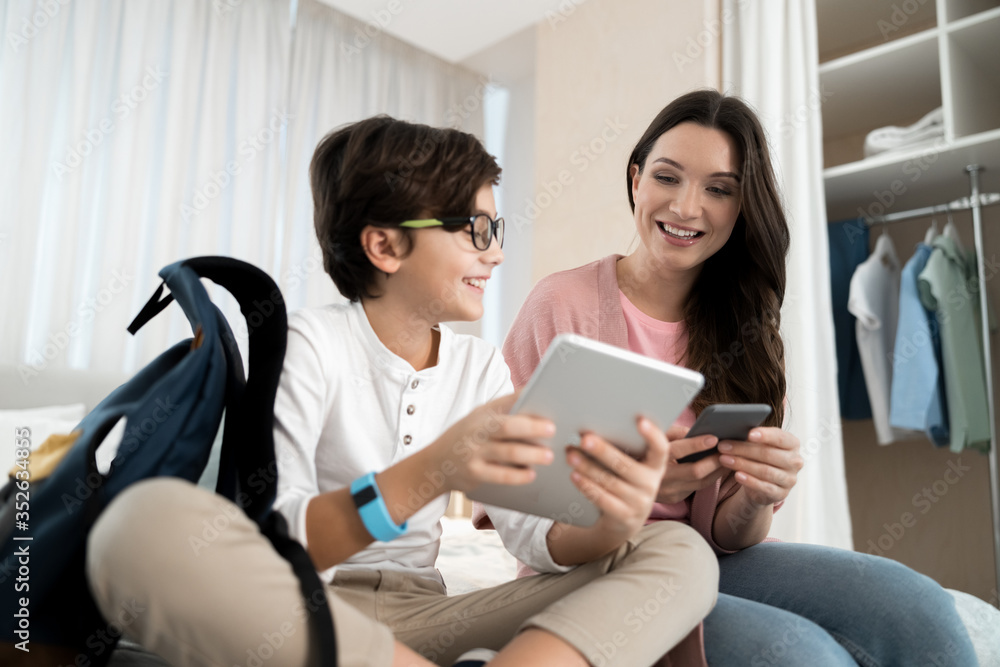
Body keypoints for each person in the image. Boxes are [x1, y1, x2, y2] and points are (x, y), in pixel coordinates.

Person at [86, 115, 719, 667]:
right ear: (385, 245)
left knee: (677, 550)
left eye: (498, 233)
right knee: (137, 529)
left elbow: (536, 541)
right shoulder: (308, 344)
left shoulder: (481, 371)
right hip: (307, 608)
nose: (494, 256)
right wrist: (434, 469)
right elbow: (279, 539)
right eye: (476, 230)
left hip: (427, 618)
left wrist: (612, 520)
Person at [480, 89, 978, 666]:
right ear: (636, 180)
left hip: (707, 557)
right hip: (594, 572)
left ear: (742, 208)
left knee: (919, 608)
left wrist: (759, 496)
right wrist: (637, 488)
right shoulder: (560, 306)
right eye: (668, 177)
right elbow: (517, 498)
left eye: (719, 189)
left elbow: (730, 534)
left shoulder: (748, 328)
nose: (688, 208)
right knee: (804, 658)